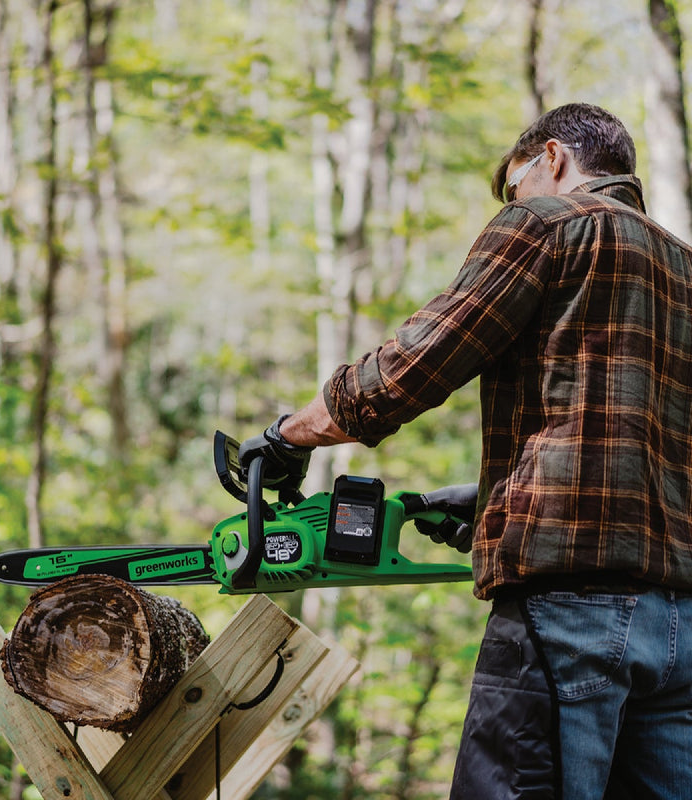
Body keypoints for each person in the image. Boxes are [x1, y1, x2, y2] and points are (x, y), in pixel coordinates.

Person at [237, 103, 692, 799]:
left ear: (551, 158)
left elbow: (410, 368)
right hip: (682, 628)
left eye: (514, 186)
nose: (514, 202)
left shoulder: (547, 224)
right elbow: (641, 445)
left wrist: (288, 434)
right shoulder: (685, 269)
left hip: (568, 616)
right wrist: (494, 501)